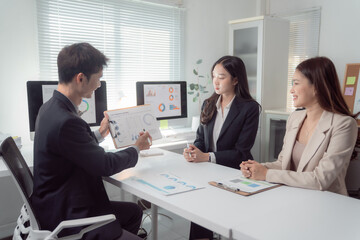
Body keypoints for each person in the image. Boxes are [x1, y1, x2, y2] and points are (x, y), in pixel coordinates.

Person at [31, 42, 151, 240]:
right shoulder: (66, 120)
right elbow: (105, 165)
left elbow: (70, 148)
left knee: (134, 212)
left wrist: (100, 133)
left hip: (53, 203)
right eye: (98, 79)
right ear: (81, 78)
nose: (99, 85)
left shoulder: (50, 108)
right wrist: (137, 149)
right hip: (68, 213)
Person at [241, 56, 359, 196]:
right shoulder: (295, 118)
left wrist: (266, 174)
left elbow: (321, 179)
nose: (291, 90)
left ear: (316, 87)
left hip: (326, 202)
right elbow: (282, 164)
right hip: (294, 195)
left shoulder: (343, 124)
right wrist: (258, 168)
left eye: (296, 83)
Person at [183, 55, 260, 240]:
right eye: (214, 76)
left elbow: (241, 152)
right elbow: (201, 139)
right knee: (200, 217)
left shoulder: (250, 108)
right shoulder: (208, 104)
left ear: (235, 79)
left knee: (230, 223)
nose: (215, 81)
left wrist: (207, 156)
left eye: (221, 76)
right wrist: (194, 150)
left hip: (234, 173)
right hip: (207, 172)